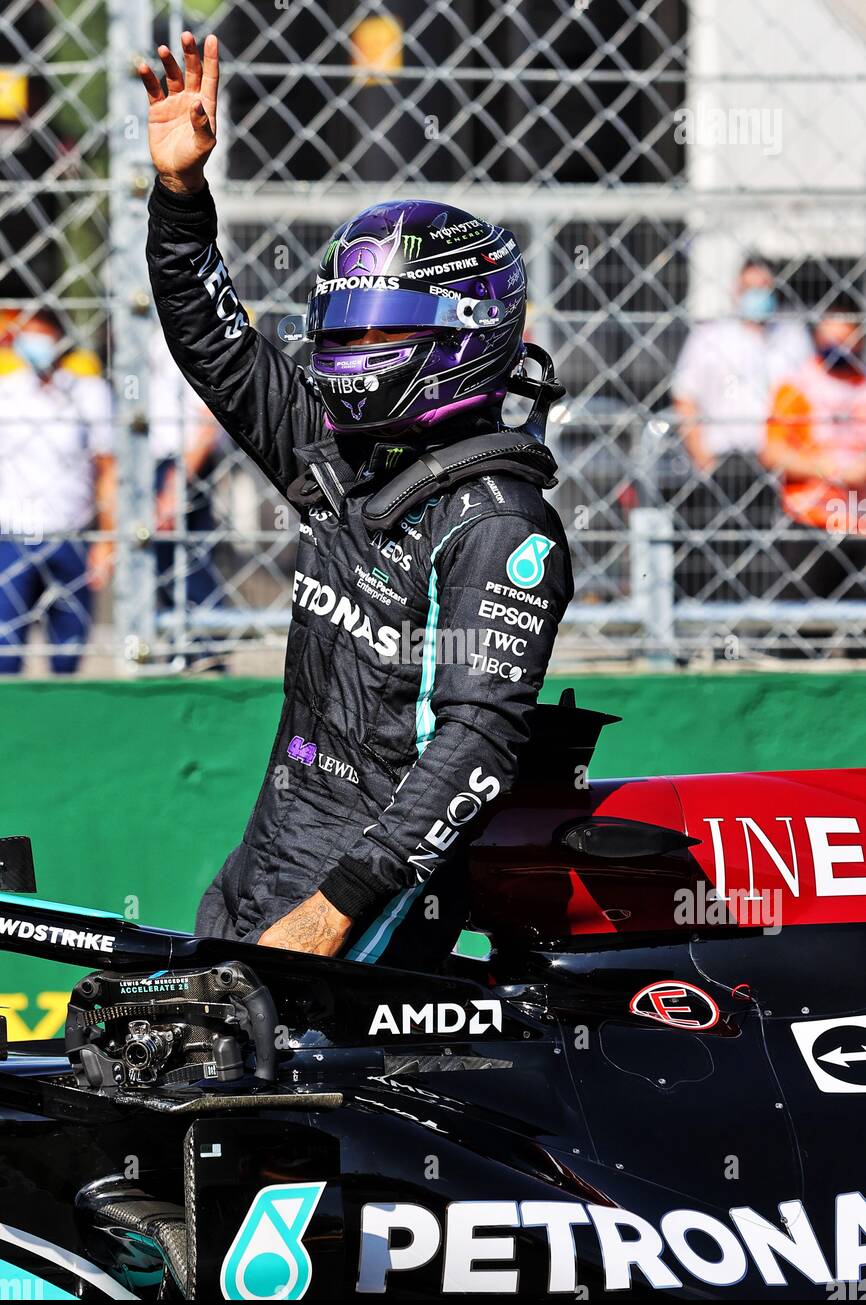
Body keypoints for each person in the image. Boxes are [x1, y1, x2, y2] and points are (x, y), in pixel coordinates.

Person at [139, 33, 573, 968]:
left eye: (381, 329)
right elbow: (216, 347)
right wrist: (181, 199)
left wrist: (337, 911)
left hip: (373, 913)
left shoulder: (497, 523)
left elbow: (477, 742)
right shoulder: (342, 456)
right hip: (267, 858)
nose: (351, 350)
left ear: (464, 335)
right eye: (342, 323)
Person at [671, 256, 812, 600]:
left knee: (779, 553)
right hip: (727, 461)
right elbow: (685, 397)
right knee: (725, 551)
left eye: (764, 288)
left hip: (781, 463)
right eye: (750, 288)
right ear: (736, 290)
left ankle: (769, 629)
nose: (757, 296)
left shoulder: (792, 336)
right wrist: (703, 458)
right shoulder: (711, 336)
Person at [0, 309, 115, 674]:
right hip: (12, 535)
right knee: (6, 652)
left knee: (69, 650)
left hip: (71, 534)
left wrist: (105, 539)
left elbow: (107, 468)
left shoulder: (89, 393)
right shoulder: (7, 392)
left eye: (39, 334)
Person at [764, 296, 866, 607]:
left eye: (845, 337)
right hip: (810, 518)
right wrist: (827, 469)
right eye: (830, 337)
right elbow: (773, 451)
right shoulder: (798, 384)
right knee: (802, 626)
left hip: (860, 521)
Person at [150, 330, 226, 668]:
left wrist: (177, 483)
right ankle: (185, 648)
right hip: (160, 459)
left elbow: (207, 420)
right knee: (165, 561)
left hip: (181, 459)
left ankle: (207, 645)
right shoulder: (153, 329)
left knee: (186, 560)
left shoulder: (194, 329)